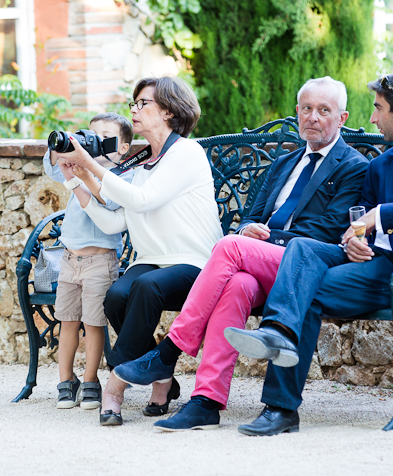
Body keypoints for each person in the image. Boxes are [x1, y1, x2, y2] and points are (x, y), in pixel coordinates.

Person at [225, 71, 393, 436]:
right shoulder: (381, 164)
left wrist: (384, 215)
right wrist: (353, 240)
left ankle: (279, 397)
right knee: (302, 248)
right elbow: (358, 219)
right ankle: (277, 352)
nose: (373, 118)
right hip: (370, 262)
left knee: (307, 291)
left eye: (378, 109)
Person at [111, 77, 370, 431]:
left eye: (324, 110)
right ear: (297, 112)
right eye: (306, 109)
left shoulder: (353, 166)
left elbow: (326, 231)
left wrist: (259, 240)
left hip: (306, 265)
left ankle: (168, 352)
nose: (313, 117)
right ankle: (206, 401)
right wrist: (249, 229)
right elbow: (252, 213)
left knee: (230, 247)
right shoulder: (283, 163)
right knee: (236, 284)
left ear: (341, 118)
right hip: (263, 263)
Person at [58, 75, 223, 426]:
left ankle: (116, 385)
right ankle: (162, 377)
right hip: (151, 260)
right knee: (116, 295)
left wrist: (89, 163)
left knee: (146, 288)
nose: (133, 109)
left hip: (195, 261)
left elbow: (141, 199)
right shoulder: (143, 162)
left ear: (168, 111)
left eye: (142, 103)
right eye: (134, 104)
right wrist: (76, 178)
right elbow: (114, 223)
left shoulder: (185, 153)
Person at [43, 113, 134, 410]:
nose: (95, 142)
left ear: (123, 147)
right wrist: (65, 146)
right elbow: (52, 166)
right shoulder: (76, 166)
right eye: (91, 136)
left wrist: (86, 174)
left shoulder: (123, 176)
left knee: (94, 324)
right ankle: (66, 381)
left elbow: (114, 202)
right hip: (70, 259)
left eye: (105, 137)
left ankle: (91, 379)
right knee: (66, 322)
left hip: (99, 262)